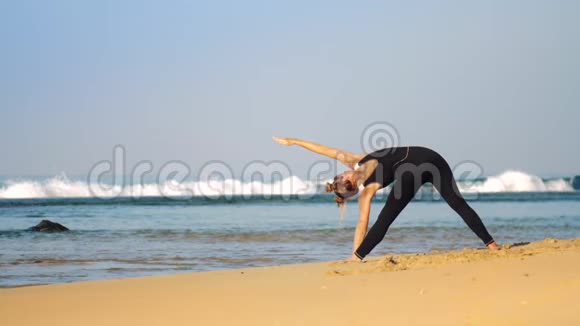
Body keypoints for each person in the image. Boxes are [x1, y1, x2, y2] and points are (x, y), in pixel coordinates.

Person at [273, 137, 501, 261]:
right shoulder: (368, 189)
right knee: (386, 219)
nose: (349, 177)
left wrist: (294, 142)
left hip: (431, 159)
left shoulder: (354, 160)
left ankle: (491, 244)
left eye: (344, 177)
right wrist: (355, 253)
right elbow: (362, 226)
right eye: (349, 184)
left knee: (457, 203)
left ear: (342, 174)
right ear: (352, 188)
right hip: (422, 162)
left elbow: (324, 150)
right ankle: (359, 257)